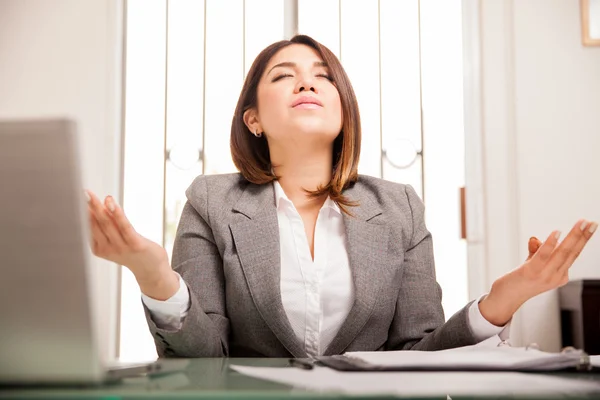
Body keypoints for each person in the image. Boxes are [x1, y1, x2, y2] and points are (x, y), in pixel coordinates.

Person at [86, 35, 597, 358]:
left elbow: (421, 352)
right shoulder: (210, 200)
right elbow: (204, 354)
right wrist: (153, 274)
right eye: (284, 76)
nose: (306, 83)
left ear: (342, 109)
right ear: (254, 119)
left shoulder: (400, 206)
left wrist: (505, 299)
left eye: (322, 77)